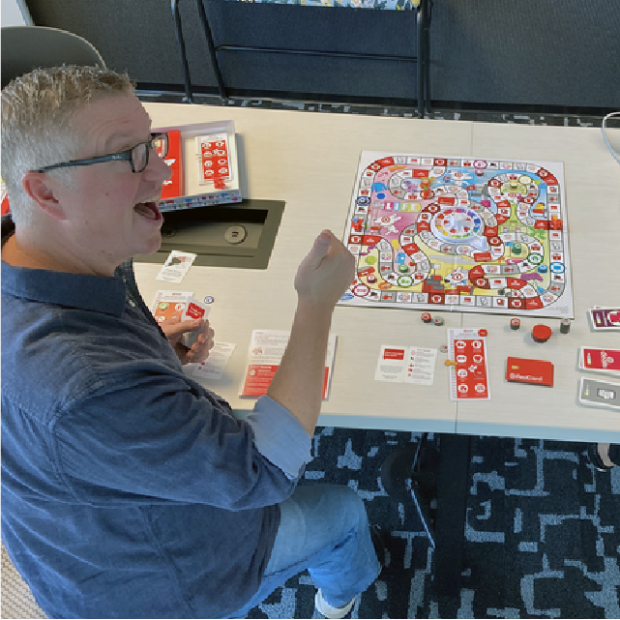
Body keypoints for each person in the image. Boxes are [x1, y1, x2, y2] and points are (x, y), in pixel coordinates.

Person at [0, 65, 381, 619]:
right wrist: (316, 303)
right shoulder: (92, 386)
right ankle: (338, 604)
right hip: (158, 585)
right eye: (128, 155)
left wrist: (151, 363)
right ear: (43, 190)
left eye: (150, 142)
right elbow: (265, 471)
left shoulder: (32, 251)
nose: (162, 171)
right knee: (343, 512)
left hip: (71, 538)